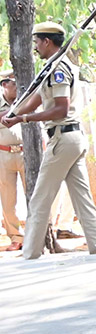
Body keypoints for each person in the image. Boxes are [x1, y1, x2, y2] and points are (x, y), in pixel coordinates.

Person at [3, 22, 96, 260]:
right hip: (70, 138)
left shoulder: (59, 69)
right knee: (82, 198)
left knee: (40, 197)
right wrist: (13, 117)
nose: (35, 47)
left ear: (47, 42)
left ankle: (30, 252)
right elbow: (37, 98)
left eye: (37, 42)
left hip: (63, 137)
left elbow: (60, 109)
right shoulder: (52, 68)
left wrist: (26, 118)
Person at [0, 71, 24, 251]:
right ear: (4, 85)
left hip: (25, 152)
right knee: (8, 198)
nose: (16, 87)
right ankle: (16, 236)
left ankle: (38, 233)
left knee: (35, 193)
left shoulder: (26, 98)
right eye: (13, 83)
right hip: (4, 153)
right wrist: (20, 109)